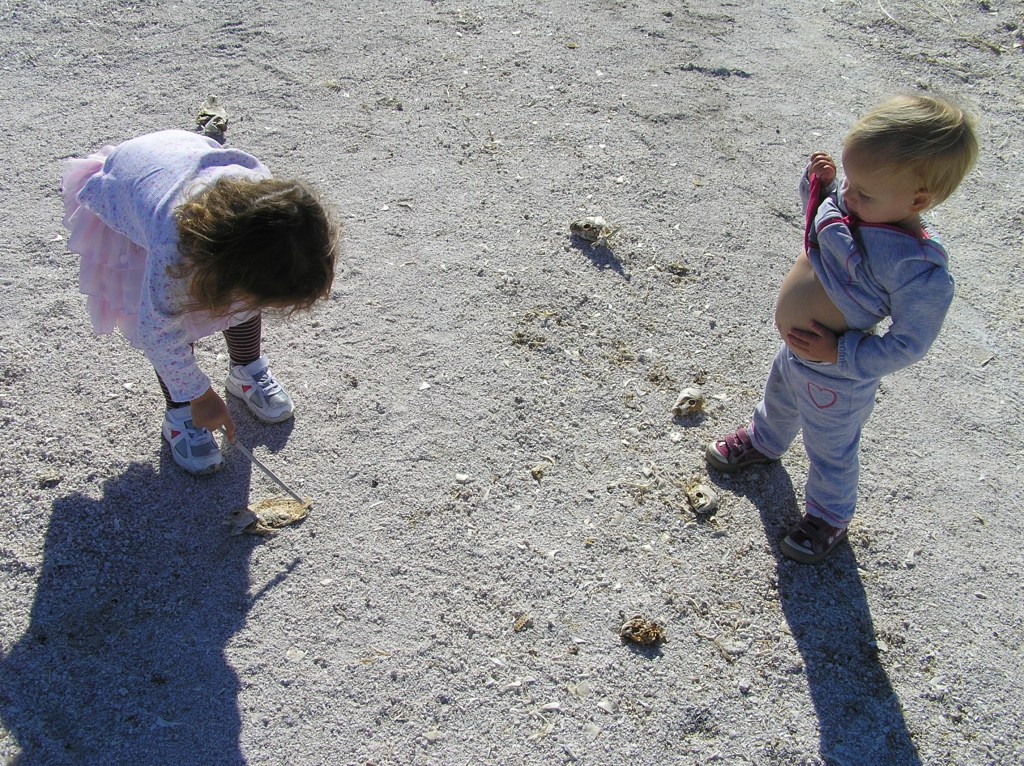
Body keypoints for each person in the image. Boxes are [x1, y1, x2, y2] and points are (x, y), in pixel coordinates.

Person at [705, 93, 978, 563]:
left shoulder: (918, 269)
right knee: (779, 400)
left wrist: (842, 354)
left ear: (919, 198)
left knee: (831, 449)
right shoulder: (861, 204)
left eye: (863, 191)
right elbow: (820, 216)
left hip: (838, 377)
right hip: (797, 353)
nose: (849, 195)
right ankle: (765, 441)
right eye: (849, 181)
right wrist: (817, 183)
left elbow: (909, 344)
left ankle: (829, 515)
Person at [62, 108, 340, 475]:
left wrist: (249, 296)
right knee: (178, 318)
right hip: (130, 186)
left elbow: (256, 280)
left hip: (181, 163)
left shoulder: (271, 217)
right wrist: (199, 395)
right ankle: (180, 412)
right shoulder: (175, 253)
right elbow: (159, 335)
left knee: (242, 299)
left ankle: (245, 370)